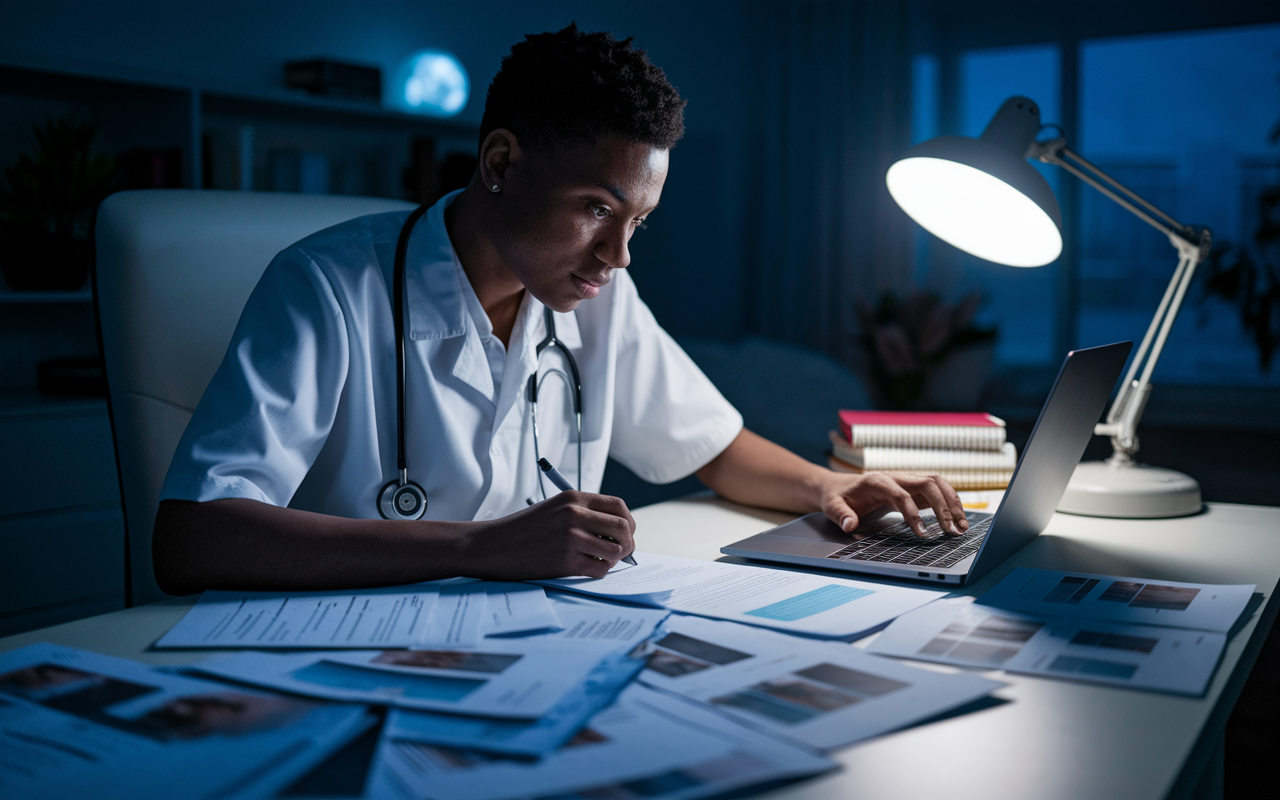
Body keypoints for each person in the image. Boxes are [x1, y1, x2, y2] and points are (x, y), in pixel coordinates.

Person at [152, 24, 967, 596]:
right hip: (344, 654)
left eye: (638, 222)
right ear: (501, 162)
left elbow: (714, 448)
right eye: (596, 210)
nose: (619, 256)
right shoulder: (327, 287)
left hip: (537, 647)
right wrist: (478, 547)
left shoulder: (595, 296)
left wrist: (832, 484)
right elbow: (194, 538)